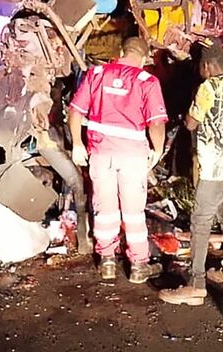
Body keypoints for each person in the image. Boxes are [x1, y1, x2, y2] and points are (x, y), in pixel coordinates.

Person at [158, 39, 223, 305]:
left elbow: (190, 123)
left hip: (212, 165)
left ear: (209, 66)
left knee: (200, 223)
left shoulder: (207, 87)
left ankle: (196, 284)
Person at [68, 37, 167, 284]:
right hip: (133, 156)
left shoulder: (97, 73)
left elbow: (75, 111)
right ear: (145, 58)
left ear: (121, 51)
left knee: (105, 210)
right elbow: (156, 122)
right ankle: (138, 266)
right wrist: (157, 149)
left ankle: (108, 262)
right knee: (133, 213)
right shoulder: (148, 81)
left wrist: (77, 144)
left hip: (101, 153)